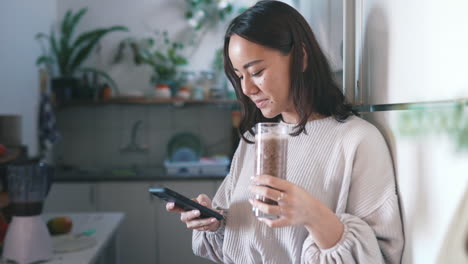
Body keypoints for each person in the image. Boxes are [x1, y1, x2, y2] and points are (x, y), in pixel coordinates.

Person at [166, 1, 404, 263]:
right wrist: (215, 223)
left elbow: (381, 256)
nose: (246, 89)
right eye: (238, 76)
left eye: (256, 72)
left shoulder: (357, 141)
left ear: (301, 57)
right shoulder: (255, 140)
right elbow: (239, 246)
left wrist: (313, 214)